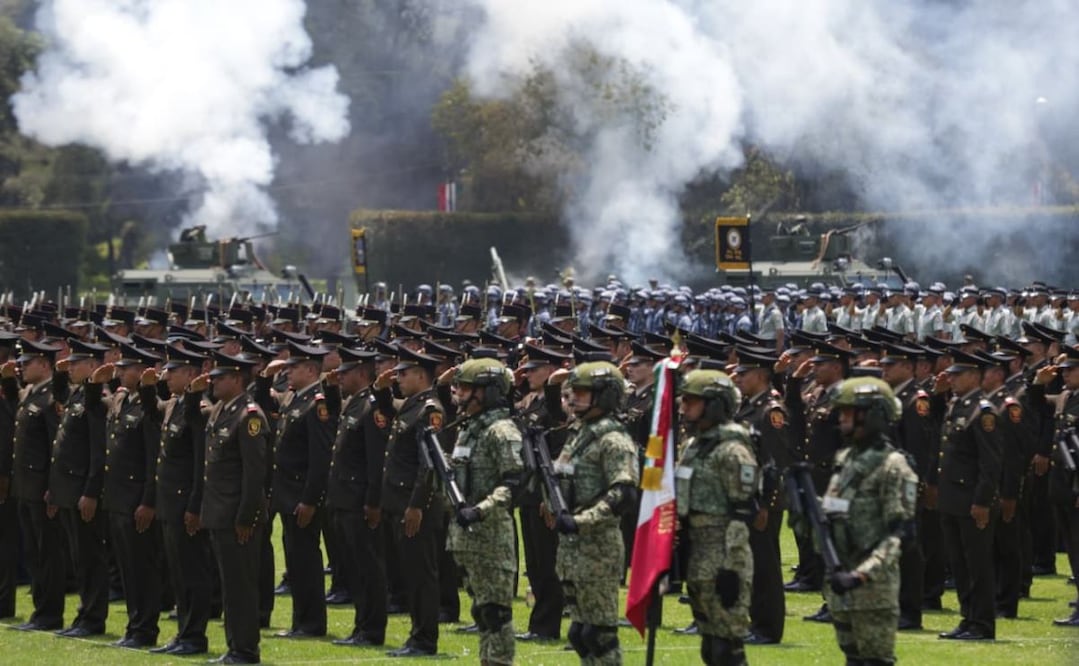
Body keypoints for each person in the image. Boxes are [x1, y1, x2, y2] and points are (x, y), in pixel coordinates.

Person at [822, 377, 918, 666]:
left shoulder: (893, 466)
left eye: (850, 412)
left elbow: (898, 535)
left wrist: (861, 575)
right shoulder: (846, 458)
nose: (842, 418)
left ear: (873, 415)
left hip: (872, 588)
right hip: (841, 582)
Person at [553, 361, 639, 665]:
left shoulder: (613, 439)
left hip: (598, 546)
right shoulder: (580, 434)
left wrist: (580, 521)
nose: (574, 398)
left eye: (582, 393)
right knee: (579, 632)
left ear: (604, 396)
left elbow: (623, 492)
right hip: (573, 547)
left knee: (599, 634)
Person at [676, 369, 758, 666]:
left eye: (692, 401)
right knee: (710, 644)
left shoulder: (732, 449)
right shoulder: (692, 446)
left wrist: (731, 568)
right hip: (697, 551)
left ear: (714, 404)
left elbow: (742, 512)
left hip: (724, 552)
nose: (684, 407)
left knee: (727, 648)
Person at [447, 357, 524, 666]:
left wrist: (481, 510)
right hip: (467, 539)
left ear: (488, 392)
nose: (459, 395)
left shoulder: (501, 431)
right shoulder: (469, 429)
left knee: (496, 613)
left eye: (466, 388)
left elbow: (514, 482)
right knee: (481, 610)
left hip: (491, 537)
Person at [257, 340, 335, 638]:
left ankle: (312, 623)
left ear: (312, 370)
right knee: (295, 560)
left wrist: (310, 500)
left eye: (294, 368)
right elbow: (263, 403)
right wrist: (265, 377)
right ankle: (300, 622)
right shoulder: (294, 398)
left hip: (302, 497)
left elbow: (320, 458)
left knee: (306, 561)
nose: (287, 372)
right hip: (287, 495)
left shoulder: (317, 404)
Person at [376, 345, 446, 657]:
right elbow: (390, 408)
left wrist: (416, 504)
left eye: (403, 373)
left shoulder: (430, 409)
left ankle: (424, 639)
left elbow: (428, 465)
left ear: (420, 375)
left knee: (421, 575)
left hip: (414, 507)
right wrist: (381, 391)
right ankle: (417, 634)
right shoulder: (412, 404)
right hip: (399, 504)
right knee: (410, 573)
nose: (398, 378)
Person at [202, 351, 269, 665]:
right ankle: (235, 647)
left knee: (241, 587)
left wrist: (246, 517)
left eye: (221, 376)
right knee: (230, 586)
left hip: (237, 518)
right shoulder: (221, 410)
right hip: (219, 513)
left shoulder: (249, 415)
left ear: (238, 379)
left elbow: (255, 474)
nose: (213, 380)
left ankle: (245, 650)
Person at [147, 343, 214, 656]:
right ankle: (183, 632)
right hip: (169, 505)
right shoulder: (173, 405)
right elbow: (151, 410)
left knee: (192, 573)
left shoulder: (199, 412)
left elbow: (201, 464)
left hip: (185, 506)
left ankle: (195, 636)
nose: (166, 375)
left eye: (172, 371)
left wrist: (194, 506)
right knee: (177, 573)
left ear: (190, 373)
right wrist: (150, 386)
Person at [96, 344, 163, 648]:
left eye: (127, 368)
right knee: (126, 568)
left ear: (143, 372)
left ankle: (145, 628)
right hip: (117, 500)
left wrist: (148, 501)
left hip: (137, 501)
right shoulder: (121, 400)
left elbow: (153, 460)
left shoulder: (150, 407)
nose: (120, 372)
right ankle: (134, 625)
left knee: (142, 568)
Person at [936, 351, 1002, 641]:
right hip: (952, 498)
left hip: (971, 500)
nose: (951, 379)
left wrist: (982, 501)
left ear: (975, 376)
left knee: (977, 564)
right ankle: (967, 617)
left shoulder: (983, 410)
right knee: (959, 563)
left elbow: (991, 463)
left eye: (957, 374)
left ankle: (982, 623)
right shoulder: (956, 405)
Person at [326, 347, 390, 647]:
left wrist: (373, 502)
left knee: (368, 569)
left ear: (362, 374)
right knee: (353, 568)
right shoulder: (352, 403)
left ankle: (372, 630)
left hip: (359, 502)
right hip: (343, 499)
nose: (340, 377)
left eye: (345, 372)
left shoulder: (371, 407)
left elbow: (376, 462)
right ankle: (360, 625)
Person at [2, 339, 63, 631]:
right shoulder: (30, 394)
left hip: (41, 489)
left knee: (47, 553)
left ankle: (49, 614)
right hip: (24, 487)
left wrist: (53, 488)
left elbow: (55, 447)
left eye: (28, 362)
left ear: (44, 364)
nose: (21, 366)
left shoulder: (51, 398)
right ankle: (40, 611)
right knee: (33, 553)